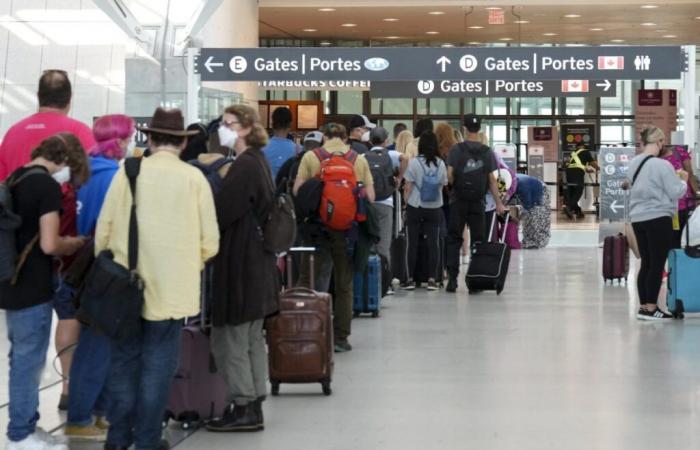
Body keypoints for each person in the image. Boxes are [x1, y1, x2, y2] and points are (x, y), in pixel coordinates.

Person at [96, 107, 219, 450]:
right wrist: (183, 263)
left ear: (148, 139)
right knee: (157, 369)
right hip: (172, 292)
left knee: (123, 365)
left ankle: (117, 440)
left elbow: (103, 232)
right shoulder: (194, 179)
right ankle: (148, 441)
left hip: (125, 288)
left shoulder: (128, 172)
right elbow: (210, 243)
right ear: (181, 144)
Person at [0, 69, 97, 410]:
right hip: (65, 247)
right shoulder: (79, 133)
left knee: (24, 342)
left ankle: (24, 413)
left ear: (37, 96)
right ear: (70, 100)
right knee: (69, 316)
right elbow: (92, 184)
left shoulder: (11, 134)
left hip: (19, 253)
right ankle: (69, 388)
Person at [1, 133, 88, 450]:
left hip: (11, 281)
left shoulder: (16, 177)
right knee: (28, 361)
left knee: (21, 358)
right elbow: (50, 243)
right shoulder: (47, 186)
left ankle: (27, 426)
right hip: (33, 285)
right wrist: (74, 243)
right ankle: (20, 435)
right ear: (64, 160)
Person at [204, 105, 279, 433]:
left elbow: (222, 212)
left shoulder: (244, 166)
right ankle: (254, 401)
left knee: (231, 337)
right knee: (250, 336)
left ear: (246, 128)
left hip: (240, 262)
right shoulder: (258, 161)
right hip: (257, 262)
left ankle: (243, 404)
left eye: (228, 124)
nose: (224, 128)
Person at [65, 114, 135, 441]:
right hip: (107, 269)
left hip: (83, 266)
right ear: (119, 141)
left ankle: (96, 413)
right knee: (98, 346)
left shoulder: (85, 174)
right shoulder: (113, 179)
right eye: (130, 137)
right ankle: (81, 417)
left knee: (98, 342)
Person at [294, 123, 375, 353]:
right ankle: (340, 337)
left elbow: (298, 190)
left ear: (325, 137)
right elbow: (370, 196)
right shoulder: (357, 159)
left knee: (308, 280)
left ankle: (305, 330)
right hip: (346, 230)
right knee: (344, 283)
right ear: (344, 138)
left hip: (317, 230)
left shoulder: (311, 156)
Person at [629, 126, 687, 320]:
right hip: (658, 218)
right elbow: (675, 192)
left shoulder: (634, 163)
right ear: (659, 142)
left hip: (638, 218)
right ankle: (652, 308)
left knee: (646, 262)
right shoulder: (663, 165)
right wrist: (684, 180)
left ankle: (644, 307)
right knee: (657, 264)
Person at [445, 114, 506, 293]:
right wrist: (499, 203)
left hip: (458, 200)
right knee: (478, 242)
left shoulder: (456, 150)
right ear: (479, 129)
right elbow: (492, 180)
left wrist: (453, 186)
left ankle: (453, 280)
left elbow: (449, 174)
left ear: (464, 128)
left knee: (454, 239)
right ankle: (476, 281)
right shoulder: (487, 151)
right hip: (478, 202)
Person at [402, 131, 448, 291]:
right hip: (435, 208)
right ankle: (432, 279)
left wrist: (406, 203)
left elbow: (408, 186)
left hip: (416, 206)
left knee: (412, 243)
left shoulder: (414, 163)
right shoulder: (441, 163)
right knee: (433, 243)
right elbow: (443, 184)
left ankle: (410, 279)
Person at [367, 127, 407, 294]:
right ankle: (385, 284)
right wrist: (399, 178)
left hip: (368, 203)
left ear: (370, 141)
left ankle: (369, 282)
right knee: (384, 245)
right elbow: (406, 158)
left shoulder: (363, 157)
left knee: (369, 243)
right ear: (386, 141)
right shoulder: (391, 155)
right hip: (386, 203)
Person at [659, 144, 699, 247]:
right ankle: (676, 262)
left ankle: (689, 262)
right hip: (670, 209)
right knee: (674, 242)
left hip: (687, 204)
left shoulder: (679, 151)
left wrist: (698, 195)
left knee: (690, 239)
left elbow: (690, 174)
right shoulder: (655, 160)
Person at [563, 145, 599, 219]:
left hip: (569, 172)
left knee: (573, 191)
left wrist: (587, 170)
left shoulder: (573, 153)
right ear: (583, 147)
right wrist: (599, 168)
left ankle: (577, 211)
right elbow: (592, 163)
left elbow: (578, 164)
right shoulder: (586, 152)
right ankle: (569, 206)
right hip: (577, 173)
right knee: (578, 190)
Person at [263, 107, 298, 179]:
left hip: (265, 189)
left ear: (272, 124)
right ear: (290, 124)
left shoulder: (260, 148)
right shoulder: (298, 149)